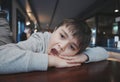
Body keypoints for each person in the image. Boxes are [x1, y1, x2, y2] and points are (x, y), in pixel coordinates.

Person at [0, 18, 119, 74]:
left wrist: (84, 56)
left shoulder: (77, 54)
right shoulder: (40, 40)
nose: (62, 46)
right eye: (62, 36)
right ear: (54, 31)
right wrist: (51, 60)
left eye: (72, 47)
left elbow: (102, 52)